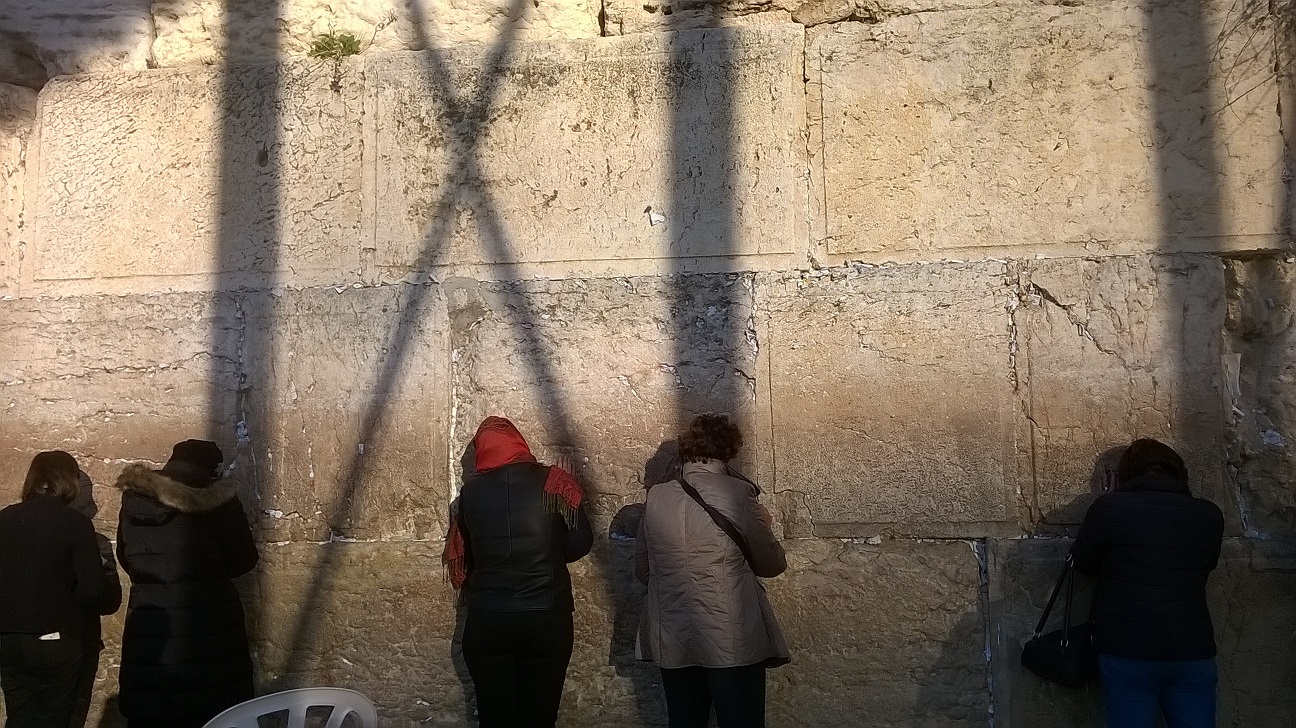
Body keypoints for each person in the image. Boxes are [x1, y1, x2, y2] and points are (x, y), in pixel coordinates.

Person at [635, 414, 789, 728]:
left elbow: (643, 570)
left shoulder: (656, 497)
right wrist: (765, 524)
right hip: (732, 637)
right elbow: (772, 565)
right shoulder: (738, 493)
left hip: (674, 638)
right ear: (729, 451)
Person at [442, 416, 593, 728]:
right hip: (546, 618)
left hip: (488, 622)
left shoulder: (471, 493)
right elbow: (581, 544)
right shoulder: (553, 481)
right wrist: (567, 489)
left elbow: (470, 556)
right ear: (518, 442)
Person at [1071, 438, 1225, 728]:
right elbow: (1205, 564)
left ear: (1126, 475)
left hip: (1128, 649)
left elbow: (1082, 563)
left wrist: (1107, 502)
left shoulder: (1109, 509)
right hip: (1191, 648)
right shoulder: (1209, 515)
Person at [115, 439, 259, 728]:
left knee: (154, 709)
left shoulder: (135, 500)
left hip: (152, 623)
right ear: (211, 468)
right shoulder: (221, 501)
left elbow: (125, 556)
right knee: (213, 711)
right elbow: (244, 561)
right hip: (210, 627)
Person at [0, 451, 107, 728]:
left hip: (9, 639)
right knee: (54, 718)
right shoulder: (76, 524)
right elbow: (92, 590)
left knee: (19, 716)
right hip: (57, 638)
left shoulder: (4, 519)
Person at [67, 472, 123, 728]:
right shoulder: (90, 537)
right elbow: (108, 599)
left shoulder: (11, 524)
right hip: (77, 638)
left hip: (17, 639)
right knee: (71, 716)